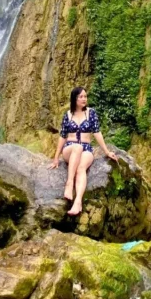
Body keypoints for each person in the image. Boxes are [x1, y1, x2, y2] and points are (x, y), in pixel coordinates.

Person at [48, 86, 117, 216]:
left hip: (86, 149)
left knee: (81, 168)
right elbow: (62, 136)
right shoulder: (68, 115)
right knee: (77, 147)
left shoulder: (91, 113)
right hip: (70, 148)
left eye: (85, 96)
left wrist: (107, 152)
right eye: (81, 97)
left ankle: (78, 202)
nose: (84, 99)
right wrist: (56, 158)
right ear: (74, 98)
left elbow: (97, 133)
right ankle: (69, 184)